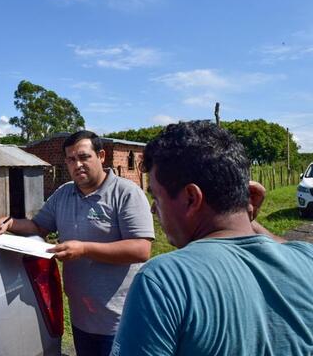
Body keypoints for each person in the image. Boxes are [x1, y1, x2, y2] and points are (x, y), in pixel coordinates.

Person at [112, 121, 313, 355]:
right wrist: (242, 208)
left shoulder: (164, 281)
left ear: (190, 198)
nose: (153, 210)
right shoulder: (306, 258)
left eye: (156, 197)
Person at [0, 130, 154, 356]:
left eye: (84, 157)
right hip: (82, 315)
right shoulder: (64, 193)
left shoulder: (126, 193)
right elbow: (39, 227)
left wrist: (84, 249)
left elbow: (141, 249)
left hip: (120, 320)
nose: (78, 165)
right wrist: (10, 223)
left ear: (101, 156)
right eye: (72, 159)